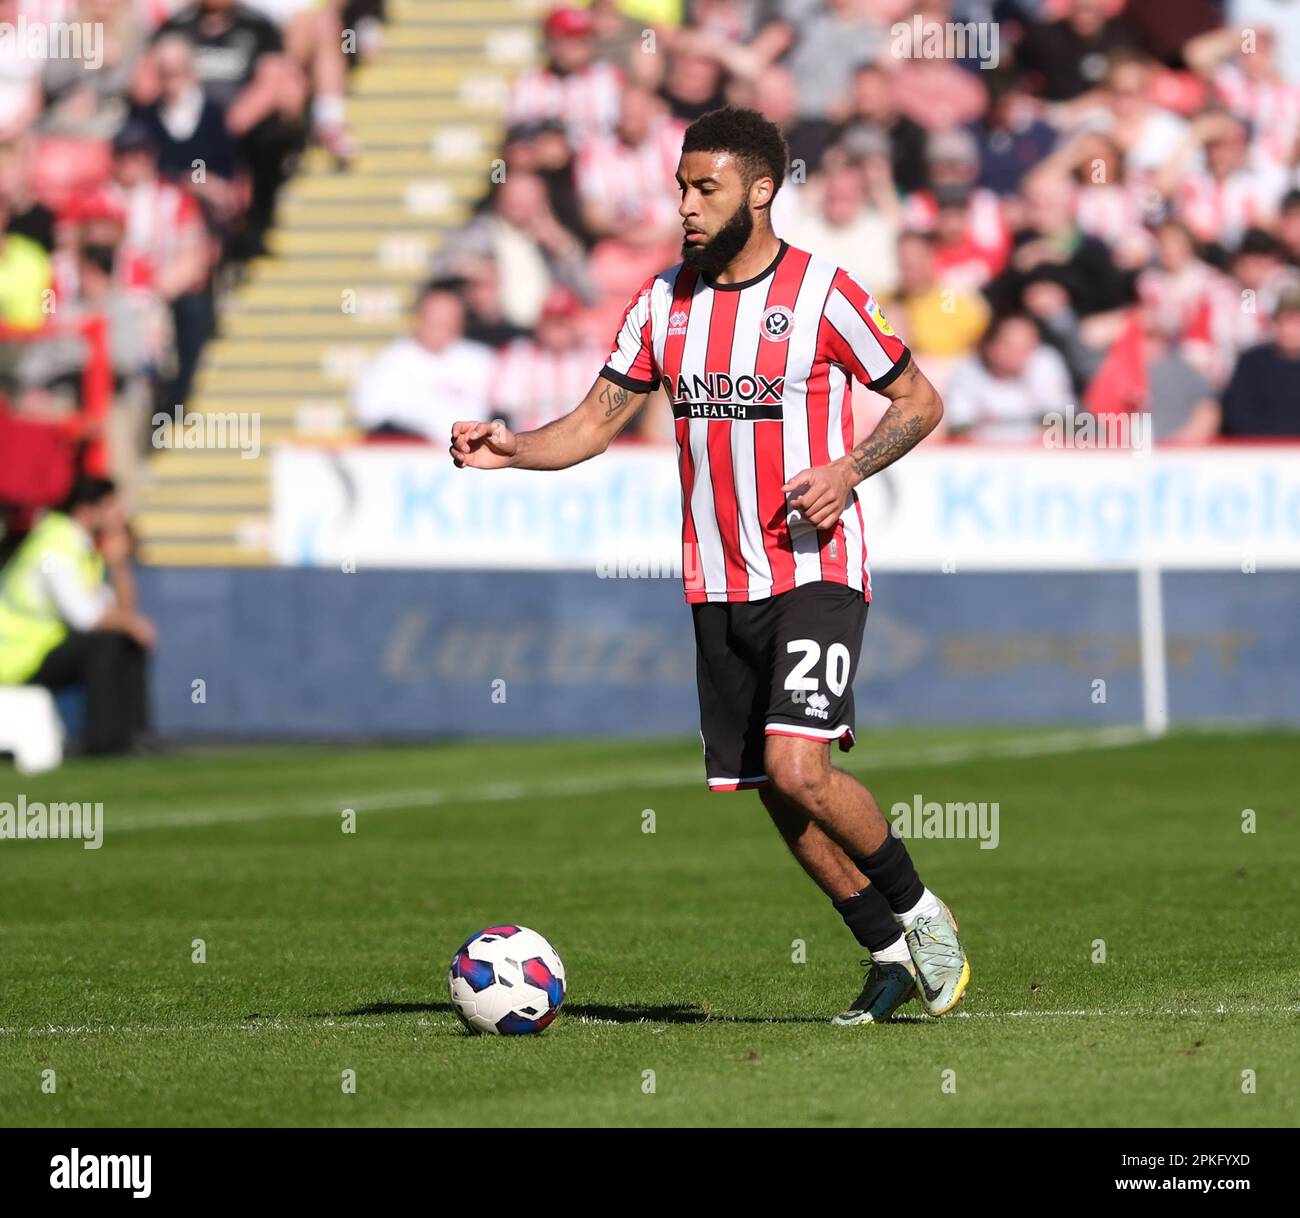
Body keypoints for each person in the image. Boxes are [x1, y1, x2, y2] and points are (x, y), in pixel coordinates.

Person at [450, 106, 968, 1027]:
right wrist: (510, 447)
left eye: (705, 189)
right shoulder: (662, 301)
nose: (686, 207)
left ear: (761, 192)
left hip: (815, 568)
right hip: (716, 580)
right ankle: (885, 956)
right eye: (681, 189)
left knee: (799, 767)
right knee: (771, 790)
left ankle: (925, 916)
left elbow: (920, 400)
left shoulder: (822, 294)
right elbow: (592, 424)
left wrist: (848, 470)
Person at [0, 477, 157, 756]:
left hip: (39, 650)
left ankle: (134, 736)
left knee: (123, 639)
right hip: (14, 659)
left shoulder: (82, 549)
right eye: (111, 507)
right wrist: (132, 624)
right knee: (105, 644)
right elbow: (85, 617)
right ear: (86, 510)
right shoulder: (55, 547)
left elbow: (119, 611)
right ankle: (105, 743)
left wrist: (120, 565)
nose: (119, 516)